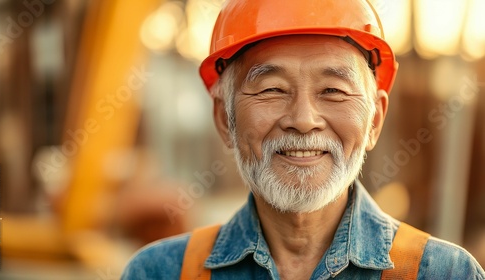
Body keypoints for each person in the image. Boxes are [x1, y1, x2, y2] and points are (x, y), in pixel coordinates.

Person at [122, 0, 485, 279]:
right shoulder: (162, 272)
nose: (303, 120)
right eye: (272, 89)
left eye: (333, 90)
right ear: (223, 118)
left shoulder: (442, 272)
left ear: (374, 119)